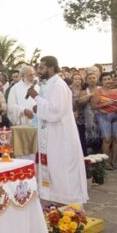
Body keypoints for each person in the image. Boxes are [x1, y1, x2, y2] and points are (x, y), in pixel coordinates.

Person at [27, 56, 88, 205]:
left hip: (61, 135)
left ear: (51, 68)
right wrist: (38, 107)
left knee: (61, 168)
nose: (39, 71)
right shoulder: (48, 84)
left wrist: (36, 98)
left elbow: (56, 110)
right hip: (51, 134)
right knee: (53, 167)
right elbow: (48, 106)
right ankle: (54, 198)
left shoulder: (59, 85)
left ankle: (66, 200)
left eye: (42, 67)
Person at [91, 72, 117, 169]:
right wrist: (105, 104)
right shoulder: (98, 91)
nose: (107, 81)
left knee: (116, 139)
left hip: (116, 115)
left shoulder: (116, 90)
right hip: (104, 116)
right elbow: (93, 106)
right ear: (101, 81)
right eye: (105, 79)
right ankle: (106, 162)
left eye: (109, 79)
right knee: (107, 139)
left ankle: (114, 161)